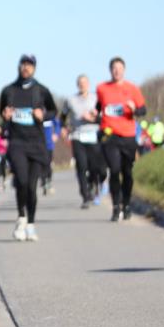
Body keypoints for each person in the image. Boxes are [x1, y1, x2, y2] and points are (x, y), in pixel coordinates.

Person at [0, 54, 58, 242]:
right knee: (22, 182)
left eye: (30, 65)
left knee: (32, 187)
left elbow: (53, 111)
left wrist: (44, 114)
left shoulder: (41, 90)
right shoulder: (9, 90)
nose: (26, 68)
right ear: (19, 67)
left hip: (36, 143)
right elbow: (2, 111)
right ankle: (21, 217)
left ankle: (30, 224)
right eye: (23, 64)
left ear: (34, 68)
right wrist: (5, 116)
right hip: (17, 143)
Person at [97, 56, 146, 222]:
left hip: (128, 136)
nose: (116, 71)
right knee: (114, 170)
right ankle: (116, 206)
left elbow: (143, 110)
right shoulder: (102, 88)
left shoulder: (132, 89)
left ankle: (126, 204)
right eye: (114, 68)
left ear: (124, 70)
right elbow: (99, 107)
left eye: (119, 68)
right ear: (110, 70)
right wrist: (95, 116)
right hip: (110, 135)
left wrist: (134, 110)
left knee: (127, 173)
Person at [61, 74, 106, 209]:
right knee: (81, 166)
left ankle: (92, 184)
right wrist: (63, 128)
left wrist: (94, 118)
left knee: (95, 167)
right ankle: (85, 196)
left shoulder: (96, 99)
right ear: (77, 85)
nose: (83, 85)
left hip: (93, 135)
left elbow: (104, 117)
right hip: (77, 136)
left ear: (89, 84)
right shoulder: (70, 100)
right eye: (80, 83)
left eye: (85, 82)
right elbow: (62, 116)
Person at [41, 115, 61, 195]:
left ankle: (48, 181)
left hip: (49, 144)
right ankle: (43, 182)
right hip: (38, 144)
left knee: (48, 163)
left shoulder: (50, 114)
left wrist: (56, 134)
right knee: (41, 164)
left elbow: (57, 125)